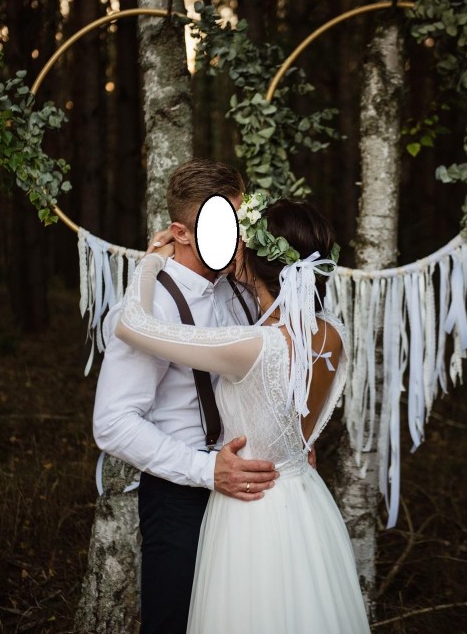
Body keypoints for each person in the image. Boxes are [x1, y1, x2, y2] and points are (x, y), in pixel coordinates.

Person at [115, 192, 371, 634]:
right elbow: (299, 425)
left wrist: (150, 263)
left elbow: (131, 325)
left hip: (250, 508)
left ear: (251, 259)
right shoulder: (332, 334)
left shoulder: (251, 346)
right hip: (304, 500)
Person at [93, 160, 281, 634]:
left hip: (251, 493)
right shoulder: (149, 307)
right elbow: (113, 422)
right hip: (180, 498)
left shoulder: (242, 289)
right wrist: (206, 470)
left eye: (240, 224)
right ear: (179, 232)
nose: (238, 240)